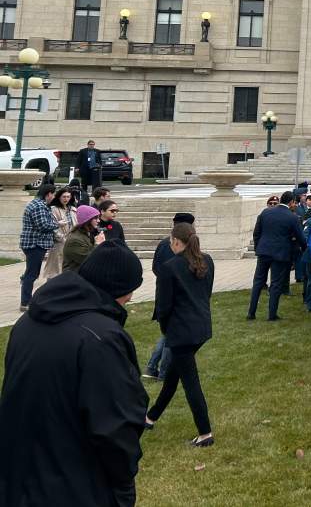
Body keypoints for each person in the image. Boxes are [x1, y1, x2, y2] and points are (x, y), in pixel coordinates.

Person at [0, 241, 147, 506]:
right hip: (75, 484)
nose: (131, 299)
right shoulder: (101, 338)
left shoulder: (27, 322)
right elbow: (116, 426)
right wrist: (123, 486)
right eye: (130, 291)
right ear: (119, 289)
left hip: (19, 476)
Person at [145, 223, 215, 447]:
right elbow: (207, 293)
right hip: (200, 328)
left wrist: (166, 329)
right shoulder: (207, 260)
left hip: (182, 332)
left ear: (176, 241)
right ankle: (150, 417)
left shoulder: (170, 267)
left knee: (190, 382)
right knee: (172, 376)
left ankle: (205, 434)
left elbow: (163, 307)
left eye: (170, 241)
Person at [146, 211, 196, 382]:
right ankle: (163, 372)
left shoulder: (162, 244)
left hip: (164, 292)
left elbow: (155, 267)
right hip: (176, 297)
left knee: (167, 335)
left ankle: (152, 366)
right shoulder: (181, 248)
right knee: (171, 337)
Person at [247, 192, 306, 321]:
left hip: (263, 251)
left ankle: (251, 312)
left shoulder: (265, 213)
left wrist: (258, 248)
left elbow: (256, 233)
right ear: (291, 202)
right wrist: (305, 249)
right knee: (276, 284)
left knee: (258, 282)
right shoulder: (292, 217)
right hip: (280, 253)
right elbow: (301, 237)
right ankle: (272, 314)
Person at [18, 182, 58, 310]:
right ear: (48, 194)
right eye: (54, 194)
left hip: (34, 244)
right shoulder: (38, 206)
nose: (54, 197)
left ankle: (26, 297)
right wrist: (59, 224)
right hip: (34, 244)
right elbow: (43, 226)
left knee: (30, 273)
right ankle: (25, 303)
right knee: (32, 274)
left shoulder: (38, 204)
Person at [42, 186, 79, 280]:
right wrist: (61, 238)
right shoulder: (53, 209)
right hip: (59, 243)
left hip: (72, 241)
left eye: (68, 196)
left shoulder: (73, 209)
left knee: (70, 267)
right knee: (55, 269)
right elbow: (53, 227)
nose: (66, 199)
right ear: (59, 197)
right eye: (64, 197)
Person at [62, 204, 104, 273]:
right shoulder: (75, 240)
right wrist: (98, 244)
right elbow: (89, 260)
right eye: (96, 218)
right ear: (87, 221)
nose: (98, 221)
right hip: (74, 278)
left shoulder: (86, 233)